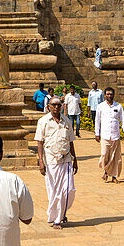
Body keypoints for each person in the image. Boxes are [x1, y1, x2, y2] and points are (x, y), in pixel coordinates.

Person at [35, 96, 77, 228]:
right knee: (54, 192)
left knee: (69, 190)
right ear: (49, 107)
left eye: (59, 105)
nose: (56, 107)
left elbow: (70, 142)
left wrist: (75, 159)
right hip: (51, 161)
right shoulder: (43, 121)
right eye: (54, 105)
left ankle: (61, 212)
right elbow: (40, 143)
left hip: (66, 160)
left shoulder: (66, 121)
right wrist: (41, 162)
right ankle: (57, 218)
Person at [95, 86, 124, 183]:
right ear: (105, 95)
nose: (109, 96)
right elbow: (97, 120)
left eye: (111, 94)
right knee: (105, 154)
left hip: (115, 135)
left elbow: (123, 120)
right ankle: (106, 171)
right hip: (105, 135)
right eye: (108, 94)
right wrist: (97, 133)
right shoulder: (100, 106)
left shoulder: (118, 106)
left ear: (113, 95)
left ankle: (113, 176)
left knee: (116, 157)